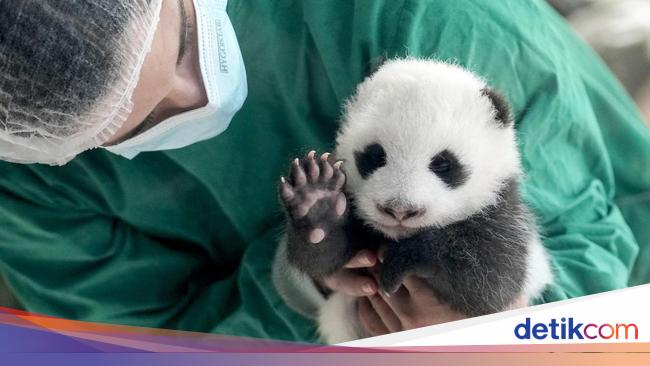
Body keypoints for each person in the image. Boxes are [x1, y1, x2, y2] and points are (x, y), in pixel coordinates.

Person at [0, 0, 648, 342]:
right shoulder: (28, 191)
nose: (195, 93)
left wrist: (495, 325)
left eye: (183, 43)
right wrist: (306, 283)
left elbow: (589, 248)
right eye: (140, 121)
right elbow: (158, 346)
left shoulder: (410, 12)